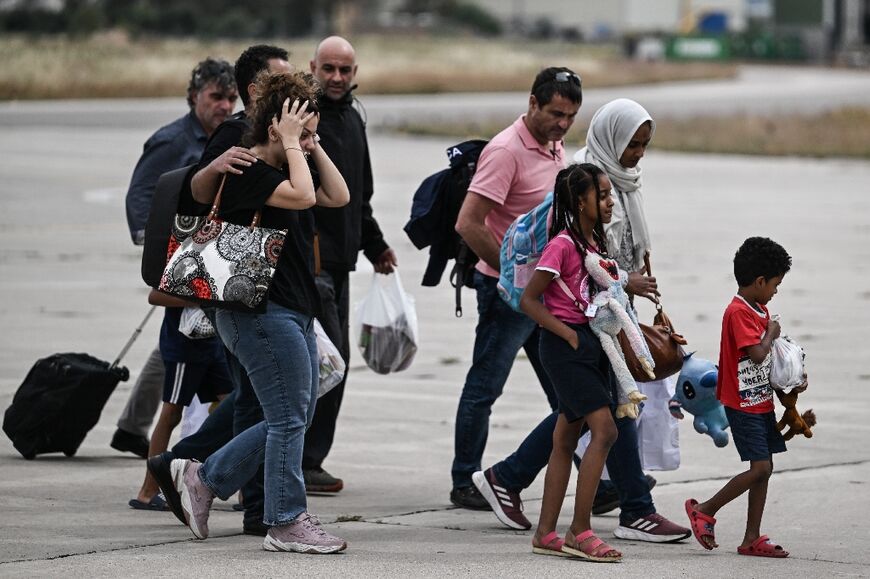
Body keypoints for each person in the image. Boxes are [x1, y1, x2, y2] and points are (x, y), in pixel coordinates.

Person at [472, 98, 689, 544]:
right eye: (634, 144)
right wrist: (572, 329)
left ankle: (520, 488)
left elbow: (607, 263)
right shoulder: (582, 187)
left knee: (581, 419)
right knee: (609, 418)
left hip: (605, 324)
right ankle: (607, 517)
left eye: (645, 144)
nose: (639, 154)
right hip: (583, 327)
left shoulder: (621, 184)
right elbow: (567, 276)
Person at [162, 70, 351, 554]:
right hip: (259, 314)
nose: (308, 142)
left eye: (312, 133)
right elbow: (306, 196)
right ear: (274, 130)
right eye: (302, 132)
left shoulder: (292, 164)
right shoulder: (248, 170)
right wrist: (292, 141)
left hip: (290, 310)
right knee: (289, 418)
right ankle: (286, 521)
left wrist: (310, 142)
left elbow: (337, 196)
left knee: (294, 415)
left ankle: (204, 477)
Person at [146, 44, 294, 537]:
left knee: (277, 404)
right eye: (282, 83)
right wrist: (215, 168)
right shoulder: (238, 134)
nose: (294, 93)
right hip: (251, 290)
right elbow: (200, 196)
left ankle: (200, 473)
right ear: (259, 90)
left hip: (281, 288)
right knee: (264, 404)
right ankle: (245, 501)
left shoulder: (281, 135)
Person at [451, 67, 581, 509]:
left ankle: (601, 485)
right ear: (532, 103)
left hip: (545, 296)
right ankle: (465, 480)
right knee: (485, 387)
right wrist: (512, 277)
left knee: (570, 393)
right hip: (507, 296)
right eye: (555, 113)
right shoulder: (506, 150)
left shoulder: (553, 145)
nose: (562, 124)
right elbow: (468, 223)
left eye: (570, 116)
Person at [112, 57, 237, 458]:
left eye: (231, 97)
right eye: (216, 96)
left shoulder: (224, 139)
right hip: (178, 259)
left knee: (175, 347)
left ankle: (133, 427)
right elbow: (141, 194)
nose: (224, 105)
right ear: (194, 97)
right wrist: (160, 250)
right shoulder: (172, 141)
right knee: (178, 347)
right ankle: (152, 451)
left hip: (204, 258)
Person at [304, 35, 396, 493]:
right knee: (326, 364)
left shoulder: (353, 121)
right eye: (329, 69)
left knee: (329, 366)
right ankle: (298, 460)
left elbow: (359, 198)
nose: (337, 78)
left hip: (340, 267)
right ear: (313, 68)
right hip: (309, 265)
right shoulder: (302, 121)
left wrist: (375, 246)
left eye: (345, 70)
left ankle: (307, 460)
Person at [522, 163, 621, 561]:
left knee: (564, 439)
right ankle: (580, 529)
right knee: (606, 429)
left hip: (589, 345)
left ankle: (544, 532)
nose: (610, 201)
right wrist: (565, 334)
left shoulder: (594, 244)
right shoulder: (562, 244)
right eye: (603, 194)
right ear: (581, 201)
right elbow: (529, 300)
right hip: (565, 348)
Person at [686, 237, 793, 558]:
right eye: (775, 284)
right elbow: (758, 354)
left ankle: (751, 538)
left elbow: (765, 364)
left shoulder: (759, 308)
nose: (776, 291)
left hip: (760, 401)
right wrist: (772, 333)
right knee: (759, 468)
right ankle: (705, 509)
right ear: (760, 281)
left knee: (765, 467)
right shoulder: (738, 313)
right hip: (742, 405)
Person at [129, 293, 232, 510]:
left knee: (235, 407)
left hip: (213, 340)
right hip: (184, 345)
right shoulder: (174, 259)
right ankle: (148, 491)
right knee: (172, 413)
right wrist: (204, 300)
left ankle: (248, 496)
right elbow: (156, 295)